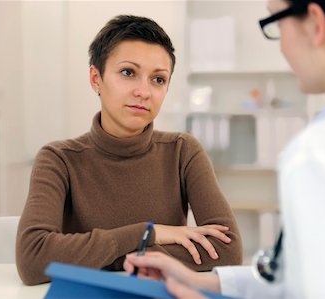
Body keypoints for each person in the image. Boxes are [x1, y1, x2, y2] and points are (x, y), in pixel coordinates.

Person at [124, 0, 325, 298]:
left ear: (316, 24)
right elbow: (316, 279)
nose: (282, 46)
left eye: (276, 23)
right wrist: (207, 283)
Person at [16, 15, 243, 286]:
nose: (144, 91)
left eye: (158, 79)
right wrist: (148, 234)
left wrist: (95, 254)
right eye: (128, 72)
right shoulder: (58, 159)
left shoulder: (183, 152)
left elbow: (227, 252)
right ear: (95, 78)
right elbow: (33, 259)